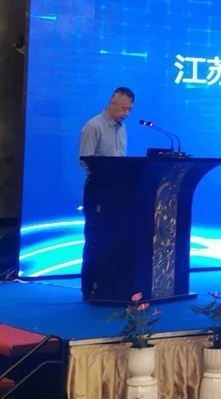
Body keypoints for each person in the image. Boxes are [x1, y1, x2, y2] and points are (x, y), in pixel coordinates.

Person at [79, 87, 135, 300]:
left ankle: (112, 284)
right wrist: (106, 176)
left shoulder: (122, 129)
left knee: (116, 237)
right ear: (112, 103)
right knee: (96, 237)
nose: (126, 113)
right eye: (123, 108)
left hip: (119, 191)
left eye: (129, 110)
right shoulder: (94, 126)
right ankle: (91, 287)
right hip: (99, 189)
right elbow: (85, 160)